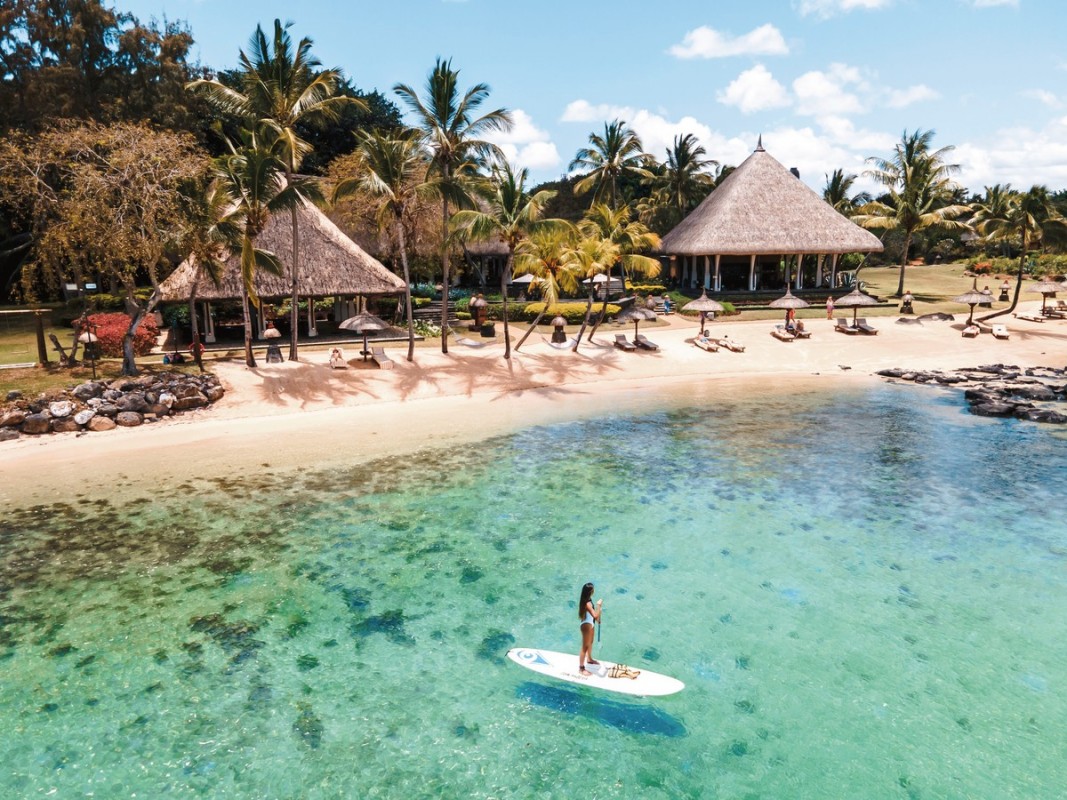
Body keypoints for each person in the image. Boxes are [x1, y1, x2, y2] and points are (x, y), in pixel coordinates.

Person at [578, 582, 603, 675]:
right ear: (590, 591)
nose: (594, 590)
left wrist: (597, 620)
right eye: (593, 589)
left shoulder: (588, 599)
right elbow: (595, 614)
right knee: (584, 647)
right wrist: (599, 605)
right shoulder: (587, 603)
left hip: (591, 624)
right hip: (586, 626)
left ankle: (589, 659)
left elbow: (594, 616)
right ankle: (581, 668)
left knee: (590, 642)